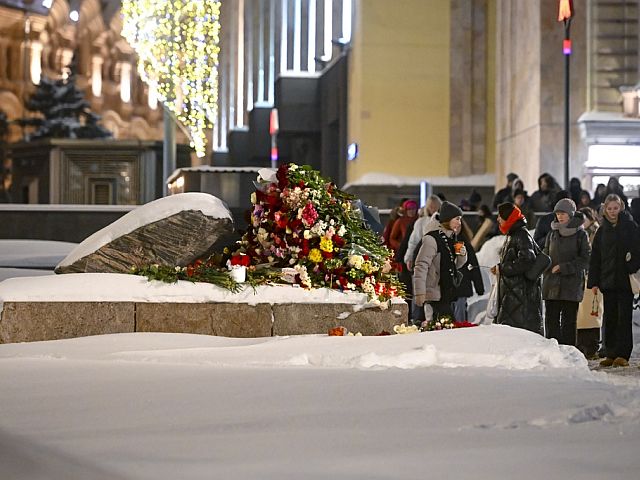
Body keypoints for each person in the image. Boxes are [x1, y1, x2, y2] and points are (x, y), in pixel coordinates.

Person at [588, 194, 640, 367]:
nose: (612, 212)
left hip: (624, 280)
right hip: (607, 281)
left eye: (615, 208)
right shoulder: (602, 231)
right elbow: (595, 257)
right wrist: (594, 281)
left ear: (621, 207)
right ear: (605, 209)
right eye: (609, 209)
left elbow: (637, 250)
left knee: (624, 318)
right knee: (609, 317)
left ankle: (623, 354)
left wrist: (631, 265)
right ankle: (610, 352)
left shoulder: (630, 227)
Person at [541, 199, 590, 347]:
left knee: (569, 322)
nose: (560, 216)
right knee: (551, 321)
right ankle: (553, 353)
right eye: (557, 213)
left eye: (563, 213)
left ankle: (569, 353)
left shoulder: (581, 235)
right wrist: (540, 264)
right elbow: (545, 252)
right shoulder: (552, 233)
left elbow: (585, 259)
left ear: (571, 214)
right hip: (551, 283)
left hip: (571, 284)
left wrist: (564, 267)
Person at [491, 202, 543, 335]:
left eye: (500, 216)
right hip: (514, 295)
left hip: (520, 296)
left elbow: (526, 261)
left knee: (519, 335)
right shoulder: (513, 234)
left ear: (508, 218)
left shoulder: (521, 235)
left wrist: (503, 268)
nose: (498, 219)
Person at [413, 201, 468, 325]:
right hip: (433, 295)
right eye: (457, 219)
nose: (460, 223)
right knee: (436, 329)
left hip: (446, 293)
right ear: (448, 219)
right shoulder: (432, 239)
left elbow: (455, 266)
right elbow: (421, 265)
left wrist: (462, 254)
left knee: (446, 330)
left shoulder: (451, 238)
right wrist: (420, 292)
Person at [576, 207, 603, 358]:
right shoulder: (580, 233)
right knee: (582, 315)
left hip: (593, 278)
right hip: (582, 278)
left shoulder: (595, 232)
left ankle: (591, 345)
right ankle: (582, 345)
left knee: (592, 313)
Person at [452, 223, 485, 322]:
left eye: (458, 226)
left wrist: (479, 287)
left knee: (459, 316)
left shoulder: (463, 244)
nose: (456, 229)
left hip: (461, 285)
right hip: (448, 287)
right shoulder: (443, 242)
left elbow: (473, 266)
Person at [404, 195, 442, 272]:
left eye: (435, 206)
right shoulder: (421, 222)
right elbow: (414, 241)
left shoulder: (445, 221)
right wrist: (409, 258)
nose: (433, 209)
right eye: (431, 206)